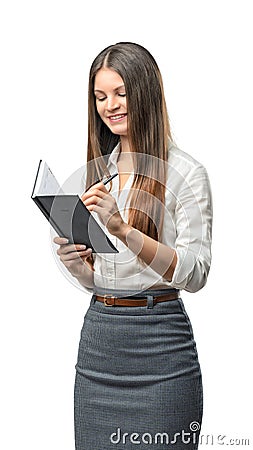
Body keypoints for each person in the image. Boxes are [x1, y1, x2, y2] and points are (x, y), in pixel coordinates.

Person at [54, 42, 212, 450]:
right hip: (100, 346)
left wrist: (124, 231)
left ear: (146, 92)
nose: (110, 105)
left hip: (162, 349)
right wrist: (79, 266)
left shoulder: (184, 173)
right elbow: (105, 278)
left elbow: (195, 274)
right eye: (101, 96)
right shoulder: (101, 172)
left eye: (121, 92)